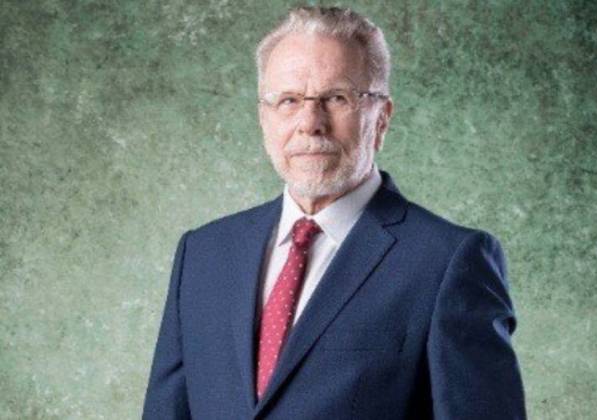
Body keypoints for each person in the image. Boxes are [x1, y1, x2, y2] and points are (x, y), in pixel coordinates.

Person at [142, 6, 526, 419]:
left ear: (382, 118)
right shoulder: (203, 254)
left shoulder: (448, 262)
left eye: (337, 98)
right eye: (289, 100)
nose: (311, 123)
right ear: (263, 117)